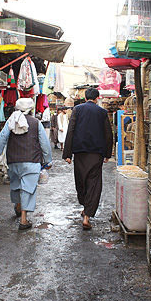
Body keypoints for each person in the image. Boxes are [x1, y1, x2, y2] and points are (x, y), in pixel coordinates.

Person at [0, 98, 53, 230]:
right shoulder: (36, 123)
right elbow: (44, 144)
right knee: (28, 189)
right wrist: (48, 160)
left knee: (16, 185)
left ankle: (18, 206)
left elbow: (1, 138)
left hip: (14, 160)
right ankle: (24, 219)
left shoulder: (11, 121)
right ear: (31, 109)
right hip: (32, 161)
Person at [62, 88, 113, 230]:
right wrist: (108, 154)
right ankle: (87, 216)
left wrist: (67, 154)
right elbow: (108, 134)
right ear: (97, 98)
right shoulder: (102, 112)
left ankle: (86, 207)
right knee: (94, 184)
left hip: (80, 153)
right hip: (96, 154)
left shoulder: (77, 110)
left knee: (81, 181)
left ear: (85, 98)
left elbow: (71, 130)